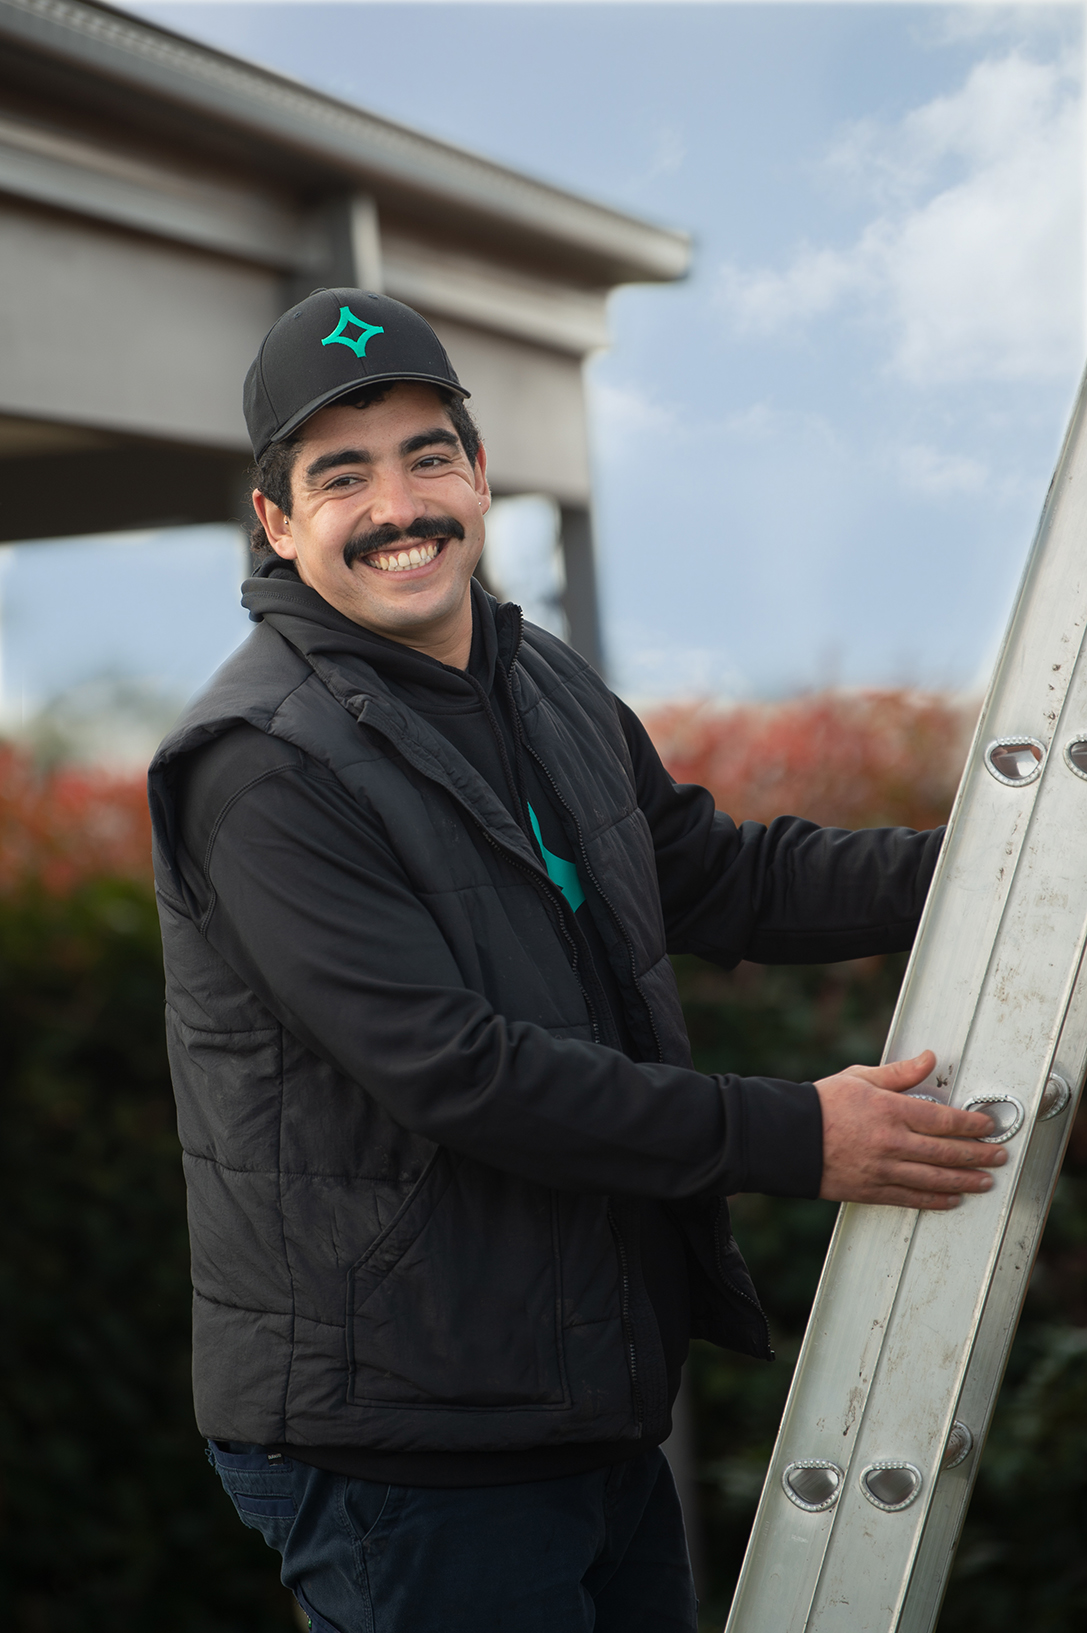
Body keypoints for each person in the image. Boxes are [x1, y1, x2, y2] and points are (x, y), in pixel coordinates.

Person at [148, 289, 1005, 1633]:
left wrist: (1011, 862)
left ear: (482, 475)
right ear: (276, 520)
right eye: (342, 476)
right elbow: (460, 1073)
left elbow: (719, 875)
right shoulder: (264, 765)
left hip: (578, 1400)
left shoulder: (529, 673)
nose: (400, 504)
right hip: (412, 1448)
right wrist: (798, 1134)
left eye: (428, 454)